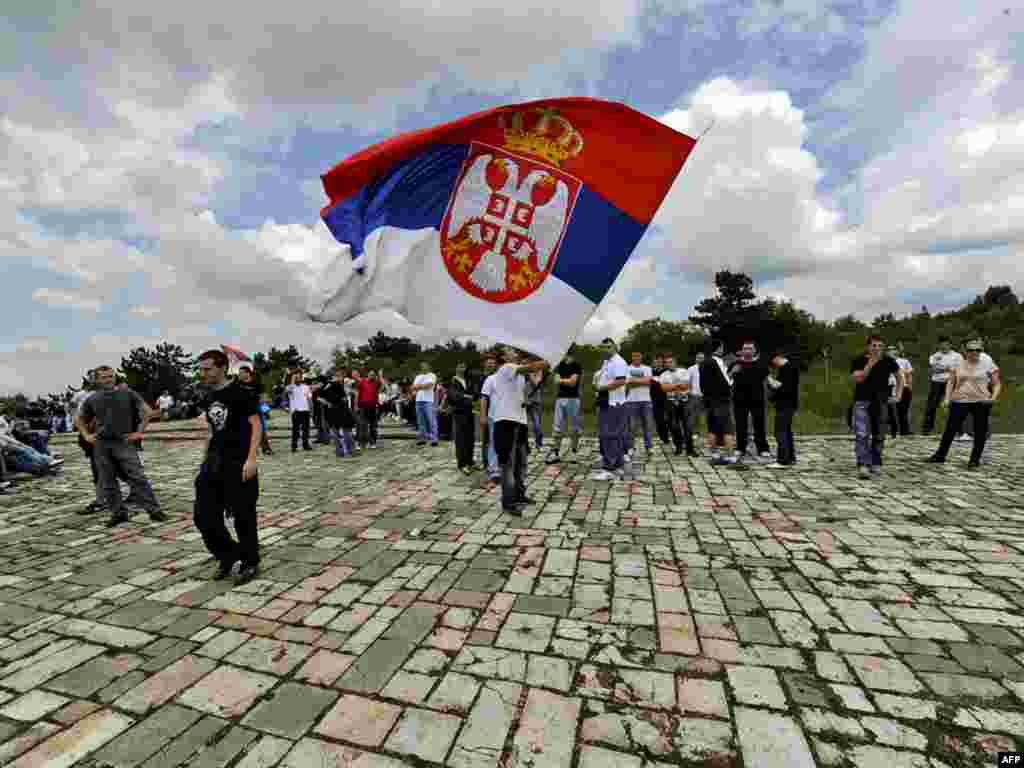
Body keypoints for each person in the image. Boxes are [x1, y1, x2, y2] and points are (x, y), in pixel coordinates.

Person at [193, 349, 262, 583]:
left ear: (222, 367)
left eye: (207, 369)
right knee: (203, 515)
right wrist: (205, 458)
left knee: (243, 515)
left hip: (239, 461)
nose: (203, 373)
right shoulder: (208, 395)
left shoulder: (241, 393)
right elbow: (213, 428)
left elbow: (256, 424)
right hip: (214, 462)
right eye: (200, 369)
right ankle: (228, 554)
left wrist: (252, 459)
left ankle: (250, 561)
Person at [79, 366, 164, 526]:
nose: (109, 379)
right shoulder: (92, 399)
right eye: (104, 377)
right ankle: (118, 514)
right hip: (102, 444)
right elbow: (80, 419)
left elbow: (147, 411)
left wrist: (139, 432)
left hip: (123, 442)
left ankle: (154, 510)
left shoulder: (128, 393)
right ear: (97, 380)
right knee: (108, 481)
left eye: (111, 376)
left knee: (138, 477)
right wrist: (86, 435)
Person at [925, 339, 1000, 469]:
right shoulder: (958, 363)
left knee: (980, 431)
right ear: (965, 351)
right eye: (971, 350)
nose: (974, 352)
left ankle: (974, 459)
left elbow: (997, 383)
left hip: (981, 401)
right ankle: (940, 456)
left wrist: (993, 397)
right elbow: (950, 382)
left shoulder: (988, 363)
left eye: (978, 350)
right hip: (960, 400)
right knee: (950, 429)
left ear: (981, 350)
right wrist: (947, 398)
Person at [489, 347, 546, 514]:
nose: (515, 352)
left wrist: (525, 402)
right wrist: (548, 356)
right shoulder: (506, 368)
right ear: (504, 357)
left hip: (519, 422)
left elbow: (522, 392)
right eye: (510, 351)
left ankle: (520, 495)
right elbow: (534, 366)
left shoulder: (517, 375)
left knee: (521, 463)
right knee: (508, 465)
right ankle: (508, 502)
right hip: (505, 422)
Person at [850, 335, 903, 480]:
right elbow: (858, 378)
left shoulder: (888, 360)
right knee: (862, 434)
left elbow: (900, 377)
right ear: (867, 346)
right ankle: (862, 465)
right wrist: (870, 364)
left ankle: (876, 462)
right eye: (874, 345)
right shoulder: (858, 360)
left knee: (879, 434)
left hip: (881, 401)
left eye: (880, 346)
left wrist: (898, 395)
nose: (877, 349)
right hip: (862, 401)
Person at [591, 338, 630, 481]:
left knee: (609, 435)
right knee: (612, 434)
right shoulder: (607, 362)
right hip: (606, 400)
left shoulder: (618, 361)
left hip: (614, 403)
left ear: (615, 347)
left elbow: (621, 381)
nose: (605, 349)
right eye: (603, 347)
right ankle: (618, 465)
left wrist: (602, 387)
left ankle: (609, 469)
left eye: (608, 347)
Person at [731, 342, 771, 463]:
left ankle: (762, 448)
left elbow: (768, 378)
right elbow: (727, 379)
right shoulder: (736, 363)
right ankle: (740, 448)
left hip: (757, 399)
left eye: (750, 348)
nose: (747, 350)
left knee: (759, 424)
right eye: (745, 348)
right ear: (742, 351)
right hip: (739, 399)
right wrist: (733, 371)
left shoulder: (760, 363)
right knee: (740, 424)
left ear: (754, 351)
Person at [700, 341, 738, 465]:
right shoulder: (717, 361)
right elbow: (727, 382)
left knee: (712, 428)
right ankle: (730, 456)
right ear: (719, 348)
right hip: (721, 400)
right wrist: (733, 373)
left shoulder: (703, 362)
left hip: (708, 399)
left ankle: (714, 454)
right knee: (728, 428)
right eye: (722, 347)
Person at [545, 347, 583, 464]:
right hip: (560, 399)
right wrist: (565, 380)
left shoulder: (576, 365)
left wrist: (561, 380)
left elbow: (573, 383)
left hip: (573, 399)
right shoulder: (560, 365)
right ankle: (556, 453)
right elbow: (556, 381)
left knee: (574, 427)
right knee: (557, 427)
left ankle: (574, 452)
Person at [766, 349, 799, 467]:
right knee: (787, 431)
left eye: (773, 362)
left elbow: (781, 387)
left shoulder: (787, 369)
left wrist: (769, 379)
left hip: (785, 404)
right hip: (790, 404)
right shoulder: (790, 367)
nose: (774, 365)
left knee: (780, 432)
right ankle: (790, 458)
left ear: (777, 358)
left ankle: (783, 460)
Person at [922, 336, 961, 435]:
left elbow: (958, 369)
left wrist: (943, 368)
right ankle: (926, 430)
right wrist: (948, 368)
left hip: (952, 382)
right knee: (931, 406)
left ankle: (958, 430)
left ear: (950, 345)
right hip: (936, 382)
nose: (944, 346)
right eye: (942, 344)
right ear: (939, 345)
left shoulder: (957, 356)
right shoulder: (934, 356)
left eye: (946, 344)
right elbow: (934, 369)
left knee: (955, 406)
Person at [658, 354, 695, 456]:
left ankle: (690, 449)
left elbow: (685, 386)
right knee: (673, 425)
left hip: (685, 401)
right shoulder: (663, 375)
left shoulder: (684, 371)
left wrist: (671, 386)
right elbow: (664, 389)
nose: (669, 364)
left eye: (671, 362)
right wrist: (677, 385)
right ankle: (678, 446)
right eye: (667, 362)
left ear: (675, 362)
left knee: (688, 426)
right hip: (671, 402)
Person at [318, 369, 357, 457]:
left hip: (331, 411)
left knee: (335, 432)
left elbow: (319, 398)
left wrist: (328, 403)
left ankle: (339, 451)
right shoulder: (338, 384)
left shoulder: (325, 385)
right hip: (341, 410)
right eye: (340, 376)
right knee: (346, 432)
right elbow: (344, 398)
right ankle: (349, 451)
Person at [625, 351, 656, 459]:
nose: (637, 358)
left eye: (639, 356)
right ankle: (630, 447)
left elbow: (649, 382)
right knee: (631, 426)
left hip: (646, 400)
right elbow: (628, 382)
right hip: (631, 401)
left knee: (648, 425)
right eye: (635, 356)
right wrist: (643, 380)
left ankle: (649, 447)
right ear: (632, 358)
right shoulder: (626, 368)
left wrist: (634, 380)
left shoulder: (647, 368)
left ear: (641, 357)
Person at [447, 362, 477, 474]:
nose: (462, 368)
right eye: (459, 366)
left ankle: (470, 461)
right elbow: (452, 396)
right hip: (458, 413)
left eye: (464, 366)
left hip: (469, 412)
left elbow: (474, 394)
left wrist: (466, 397)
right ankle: (462, 464)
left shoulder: (468, 380)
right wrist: (465, 396)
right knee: (460, 439)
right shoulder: (452, 381)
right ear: (456, 368)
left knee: (470, 438)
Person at [478, 356, 500, 482]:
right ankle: (490, 466)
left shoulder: (503, 378)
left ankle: (495, 465)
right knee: (489, 441)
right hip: (490, 414)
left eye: (493, 363)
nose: (491, 365)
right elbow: (482, 397)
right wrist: (482, 415)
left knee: (495, 441)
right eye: (489, 363)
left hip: (503, 415)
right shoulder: (486, 378)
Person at [285, 370, 314, 452]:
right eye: (297, 377)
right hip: (296, 411)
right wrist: (292, 380)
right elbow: (288, 391)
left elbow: (309, 399)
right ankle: (294, 445)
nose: (299, 378)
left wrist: (311, 410)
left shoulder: (306, 387)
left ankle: (305, 444)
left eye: (300, 377)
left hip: (305, 410)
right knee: (296, 430)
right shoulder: (290, 387)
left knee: (306, 429)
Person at [411, 362, 439, 446]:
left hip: (428, 401)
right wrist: (421, 386)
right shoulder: (418, 376)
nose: (423, 367)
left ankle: (434, 439)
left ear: (428, 367)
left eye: (425, 366)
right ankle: (422, 438)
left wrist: (418, 387)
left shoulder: (432, 375)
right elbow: (412, 387)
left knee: (431, 420)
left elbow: (429, 385)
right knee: (420, 421)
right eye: (422, 366)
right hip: (418, 400)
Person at [356, 370, 381, 449]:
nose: (372, 376)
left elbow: (382, 385)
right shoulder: (362, 382)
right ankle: (361, 443)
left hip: (373, 406)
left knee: (373, 426)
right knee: (363, 425)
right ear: (368, 375)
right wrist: (356, 405)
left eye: (374, 375)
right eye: (371, 375)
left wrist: (380, 376)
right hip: (363, 406)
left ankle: (372, 442)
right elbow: (358, 393)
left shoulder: (376, 382)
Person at [650, 354, 670, 445]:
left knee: (668, 418)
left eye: (660, 361)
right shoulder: (650, 372)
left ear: (662, 362)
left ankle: (670, 435)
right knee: (658, 419)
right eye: (656, 361)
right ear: (654, 362)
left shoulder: (666, 371)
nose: (658, 363)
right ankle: (663, 437)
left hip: (666, 398)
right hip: (654, 398)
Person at [524, 367, 546, 449]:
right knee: (523, 423)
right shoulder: (521, 369)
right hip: (524, 400)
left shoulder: (538, 370)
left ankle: (538, 442)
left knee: (536, 423)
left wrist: (531, 375)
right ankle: (525, 443)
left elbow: (536, 383)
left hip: (535, 400)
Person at [895, 345, 913, 436]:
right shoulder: (883, 361)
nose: (892, 351)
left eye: (894, 349)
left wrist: (909, 387)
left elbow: (909, 375)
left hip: (903, 387)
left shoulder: (904, 361)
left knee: (903, 411)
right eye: (889, 349)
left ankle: (904, 431)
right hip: (889, 387)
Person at [687, 352, 705, 442]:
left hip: (705, 396)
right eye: (699, 358)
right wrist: (690, 393)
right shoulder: (691, 369)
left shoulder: (707, 368)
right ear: (696, 359)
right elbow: (688, 382)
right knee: (692, 415)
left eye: (702, 358)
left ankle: (701, 433)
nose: (700, 359)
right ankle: (693, 433)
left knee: (703, 416)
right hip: (694, 396)